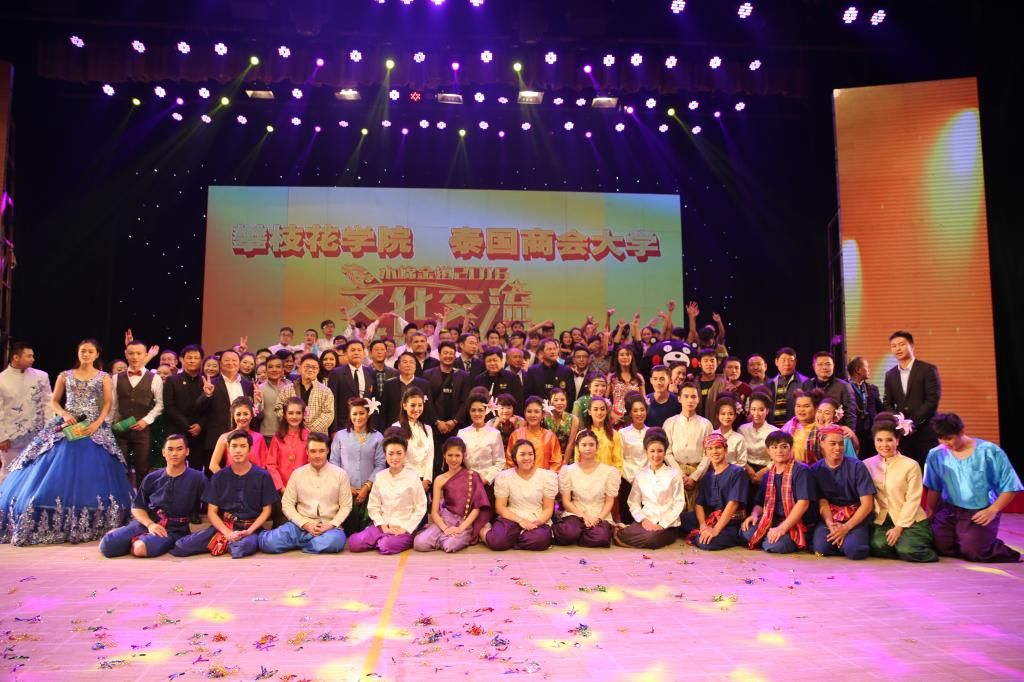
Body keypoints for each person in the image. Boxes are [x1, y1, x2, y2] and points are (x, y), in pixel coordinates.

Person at [0, 340, 132, 545]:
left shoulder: (103, 377)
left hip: (92, 427)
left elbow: (108, 403)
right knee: (50, 465)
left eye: (90, 351)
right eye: (83, 351)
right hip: (67, 425)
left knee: (94, 471)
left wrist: (97, 424)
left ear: (97, 354)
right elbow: (53, 401)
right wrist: (64, 414)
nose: (86, 354)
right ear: (78, 353)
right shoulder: (65, 375)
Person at [924, 413, 1022, 563]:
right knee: (938, 545)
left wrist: (993, 510)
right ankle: (964, 539)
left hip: (979, 510)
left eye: (949, 438)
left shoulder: (988, 451)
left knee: (974, 550)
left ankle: (993, 548)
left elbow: (1011, 485)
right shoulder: (936, 454)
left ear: (961, 432)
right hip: (949, 510)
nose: (944, 443)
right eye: (940, 438)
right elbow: (934, 487)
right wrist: (930, 512)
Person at [170, 430, 278, 558]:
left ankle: (227, 543)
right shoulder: (219, 477)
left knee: (241, 548)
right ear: (228, 448)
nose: (238, 450)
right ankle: (226, 541)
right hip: (224, 527)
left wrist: (249, 531)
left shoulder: (263, 476)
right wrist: (227, 532)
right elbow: (212, 512)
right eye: (234, 446)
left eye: (243, 446)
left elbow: (266, 510)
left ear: (250, 449)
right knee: (181, 546)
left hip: (250, 529)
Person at [99, 434, 206, 558]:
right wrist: (150, 524)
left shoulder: (198, 477)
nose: (174, 453)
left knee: (140, 549)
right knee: (107, 546)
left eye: (179, 449)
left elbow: (212, 504)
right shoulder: (152, 477)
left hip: (174, 530)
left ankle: (133, 541)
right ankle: (129, 537)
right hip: (148, 522)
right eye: (170, 449)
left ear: (187, 451)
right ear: (163, 452)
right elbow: (137, 506)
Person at [258, 432, 351, 554]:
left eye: (321, 451)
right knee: (269, 543)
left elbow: (346, 506)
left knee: (334, 542)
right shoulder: (298, 474)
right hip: (300, 526)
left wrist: (330, 525)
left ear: (327, 451)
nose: (317, 455)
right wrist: (305, 524)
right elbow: (287, 504)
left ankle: (301, 543)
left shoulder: (340, 474)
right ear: (307, 452)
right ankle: (310, 543)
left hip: (328, 528)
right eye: (313, 451)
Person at [864, 419, 937, 562]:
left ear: (897, 441)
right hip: (883, 520)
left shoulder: (911, 465)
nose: (884, 445)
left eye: (889, 440)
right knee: (878, 546)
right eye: (879, 440)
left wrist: (899, 527)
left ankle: (912, 545)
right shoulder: (867, 464)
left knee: (908, 550)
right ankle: (901, 546)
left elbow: (913, 499)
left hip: (911, 520)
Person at [348, 433, 427, 554]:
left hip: (403, 528)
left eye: (399, 453)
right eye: (390, 454)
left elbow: (420, 507)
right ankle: (381, 538)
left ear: (405, 454)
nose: (394, 457)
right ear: (385, 455)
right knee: (354, 543)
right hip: (382, 526)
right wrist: (383, 527)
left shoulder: (413, 477)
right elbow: (373, 506)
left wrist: (405, 528)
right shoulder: (380, 477)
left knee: (385, 546)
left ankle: (385, 541)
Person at [809, 425, 876, 560]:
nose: (838, 448)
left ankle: (848, 542)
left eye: (841, 443)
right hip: (831, 517)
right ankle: (841, 541)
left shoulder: (857, 466)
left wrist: (846, 527)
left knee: (855, 551)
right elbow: (822, 502)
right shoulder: (816, 469)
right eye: (832, 444)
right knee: (821, 550)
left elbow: (867, 504)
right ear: (821, 443)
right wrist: (830, 524)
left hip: (854, 517)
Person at [413, 437, 491, 552]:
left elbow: (477, 508)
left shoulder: (473, 476)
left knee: (450, 545)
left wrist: (460, 528)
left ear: (464, 456)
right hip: (444, 520)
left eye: (457, 455)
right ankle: (443, 538)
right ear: (444, 455)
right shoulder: (439, 479)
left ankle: (446, 539)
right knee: (419, 544)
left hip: (463, 522)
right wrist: (445, 529)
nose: (453, 459)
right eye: (450, 455)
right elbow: (434, 512)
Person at [740, 431, 812, 554]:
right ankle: (768, 537)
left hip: (794, 522)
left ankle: (770, 539)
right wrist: (754, 515)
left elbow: (803, 503)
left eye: (784, 447)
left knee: (775, 546)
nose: (779, 451)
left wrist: (782, 528)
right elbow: (760, 503)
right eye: (774, 447)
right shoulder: (768, 474)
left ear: (791, 449)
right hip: (772, 520)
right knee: (745, 532)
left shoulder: (801, 470)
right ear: (768, 451)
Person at [614, 429, 686, 549]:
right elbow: (633, 502)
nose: (656, 455)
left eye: (660, 451)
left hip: (668, 524)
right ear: (646, 452)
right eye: (652, 451)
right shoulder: (640, 475)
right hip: (647, 520)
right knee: (627, 535)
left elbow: (679, 503)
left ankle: (632, 537)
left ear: (665, 452)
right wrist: (643, 520)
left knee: (652, 539)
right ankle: (629, 534)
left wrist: (662, 525)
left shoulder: (674, 474)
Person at [482, 439, 557, 551]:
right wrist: (521, 521)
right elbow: (500, 507)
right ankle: (485, 533)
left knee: (540, 540)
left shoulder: (546, 476)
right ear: (514, 457)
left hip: (536, 518)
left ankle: (509, 541)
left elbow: (548, 508)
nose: (527, 458)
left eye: (530, 454)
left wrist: (539, 521)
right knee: (497, 541)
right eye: (522, 454)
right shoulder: (505, 477)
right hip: (512, 517)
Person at [680, 433, 750, 550]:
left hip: (730, 522)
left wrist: (715, 530)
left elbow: (733, 503)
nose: (714, 451)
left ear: (725, 450)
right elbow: (699, 504)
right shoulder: (707, 476)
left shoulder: (737, 472)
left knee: (707, 543)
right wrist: (703, 525)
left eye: (718, 447)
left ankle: (706, 536)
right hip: (710, 518)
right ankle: (702, 533)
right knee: (678, 520)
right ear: (706, 453)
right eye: (710, 449)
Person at [553, 430, 621, 547]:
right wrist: (584, 517)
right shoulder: (569, 471)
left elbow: (609, 501)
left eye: (591, 445)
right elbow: (566, 501)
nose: (588, 448)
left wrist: (598, 518)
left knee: (601, 538)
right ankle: (580, 532)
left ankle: (580, 534)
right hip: (576, 513)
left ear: (597, 447)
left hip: (599, 514)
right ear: (578, 447)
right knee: (566, 533)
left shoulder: (608, 472)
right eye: (584, 445)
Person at [329, 397, 385, 536]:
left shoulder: (378, 437)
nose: (358, 417)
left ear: (368, 414)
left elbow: (380, 464)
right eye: (354, 414)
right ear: (350, 415)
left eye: (361, 413)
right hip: (345, 491)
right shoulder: (340, 436)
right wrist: (347, 486)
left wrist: (367, 486)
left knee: (366, 531)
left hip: (370, 491)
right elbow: (334, 463)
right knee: (347, 531)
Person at [111, 340, 165, 486]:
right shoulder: (116, 378)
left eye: (138, 353)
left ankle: (142, 499)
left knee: (142, 469)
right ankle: (122, 498)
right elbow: (113, 406)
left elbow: (160, 404)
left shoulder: (155, 378)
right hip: (121, 430)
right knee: (120, 468)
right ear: (126, 354)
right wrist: (110, 425)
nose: (135, 357)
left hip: (143, 430)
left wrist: (146, 420)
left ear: (145, 355)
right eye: (131, 353)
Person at [883, 331, 942, 464]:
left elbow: (932, 400)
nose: (897, 348)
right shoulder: (890, 374)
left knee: (928, 471)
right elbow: (887, 402)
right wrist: (899, 422)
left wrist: (912, 422)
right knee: (907, 470)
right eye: (894, 346)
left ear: (912, 346)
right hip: (902, 435)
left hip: (926, 431)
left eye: (902, 344)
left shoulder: (928, 369)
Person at [0, 342, 53, 482]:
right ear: (16, 357)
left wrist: (49, 429)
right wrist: (2, 437)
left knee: (35, 472)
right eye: (29, 356)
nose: (33, 359)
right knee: (10, 471)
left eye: (32, 356)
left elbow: (48, 404)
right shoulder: (1, 380)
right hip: (11, 437)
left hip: (38, 435)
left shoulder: (41, 376)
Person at [196, 349, 254, 473]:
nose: (230, 363)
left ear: (239, 363)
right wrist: (207, 395)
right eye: (227, 360)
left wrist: (258, 403)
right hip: (216, 439)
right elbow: (199, 409)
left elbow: (253, 412)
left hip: (242, 442)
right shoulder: (210, 383)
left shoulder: (248, 385)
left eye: (234, 360)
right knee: (215, 477)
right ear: (220, 364)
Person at [662, 383, 713, 509]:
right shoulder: (670, 423)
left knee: (697, 511)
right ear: (679, 399)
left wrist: (694, 478)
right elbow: (667, 453)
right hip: (675, 472)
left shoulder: (706, 424)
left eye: (693, 397)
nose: (690, 400)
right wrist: (681, 475)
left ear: (698, 399)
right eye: (686, 396)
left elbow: (708, 454)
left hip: (698, 474)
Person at [425, 341, 472, 473]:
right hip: (435, 427)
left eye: (451, 353)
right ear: (439, 355)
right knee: (435, 462)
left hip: (456, 427)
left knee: (456, 461)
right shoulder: (428, 374)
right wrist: (437, 422)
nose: (448, 356)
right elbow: (427, 401)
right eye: (445, 353)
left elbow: (465, 401)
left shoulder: (463, 375)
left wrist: (454, 421)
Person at [162, 344, 206, 470]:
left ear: (201, 360)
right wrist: (188, 426)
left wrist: (200, 425)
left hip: (199, 434)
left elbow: (209, 409)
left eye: (196, 358)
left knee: (196, 470)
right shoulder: (172, 380)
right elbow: (169, 406)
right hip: (177, 431)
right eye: (189, 357)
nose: (192, 360)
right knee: (174, 468)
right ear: (182, 359)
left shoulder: (206, 382)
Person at [275, 353, 335, 434]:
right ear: (300, 368)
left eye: (314, 367)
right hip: (291, 433)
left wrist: (308, 431)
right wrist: (294, 424)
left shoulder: (326, 391)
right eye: (307, 366)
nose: (310, 370)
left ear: (318, 370)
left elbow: (328, 414)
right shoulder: (286, 389)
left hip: (316, 437)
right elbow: (278, 409)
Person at [208, 397, 268, 473]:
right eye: (238, 414)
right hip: (231, 479)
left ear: (251, 415)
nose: (242, 417)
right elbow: (213, 465)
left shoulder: (259, 438)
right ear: (233, 416)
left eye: (245, 414)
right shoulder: (224, 438)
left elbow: (265, 465)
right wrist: (224, 478)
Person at [328, 340, 377, 431]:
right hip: (343, 425)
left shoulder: (370, 372)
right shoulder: (336, 373)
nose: (356, 353)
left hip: (366, 425)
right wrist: (333, 430)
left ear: (364, 353)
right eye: (353, 350)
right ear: (346, 354)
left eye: (359, 350)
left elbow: (373, 398)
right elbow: (332, 403)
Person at [505, 396, 563, 472]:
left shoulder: (550, 436)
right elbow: (510, 460)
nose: (532, 415)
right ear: (524, 413)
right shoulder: (516, 435)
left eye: (536, 412)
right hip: (520, 477)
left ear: (543, 414)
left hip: (544, 478)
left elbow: (556, 463)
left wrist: (548, 477)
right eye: (529, 411)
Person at [457, 396, 506, 485]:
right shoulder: (462, 433)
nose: (477, 413)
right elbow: (458, 459)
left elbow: (500, 462)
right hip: (466, 481)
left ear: (486, 411)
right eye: (473, 410)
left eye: (480, 410)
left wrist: (486, 479)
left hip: (487, 482)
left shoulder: (494, 434)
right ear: (469, 412)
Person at [266, 397, 309, 499]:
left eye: (298, 413)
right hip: (282, 490)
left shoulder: (308, 436)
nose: (294, 416)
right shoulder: (277, 437)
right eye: (290, 413)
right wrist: (281, 488)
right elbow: (271, 465)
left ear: (303, 415)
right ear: (285, 415)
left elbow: (311, 463)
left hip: (304, 489)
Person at [392, 387, 433, 491]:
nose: (417, 409)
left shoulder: (428, 429)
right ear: (404, 405)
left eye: (420, 405)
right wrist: (411, 480)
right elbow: (397, 458)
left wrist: (427, 479)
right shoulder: (397, 427)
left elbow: (430, 456)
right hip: (403, 480)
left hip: (423, 482)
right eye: (413, 405)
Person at [802, 351, 856, 430]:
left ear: (833, 365)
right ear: (813, 366)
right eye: (820, 364)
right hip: (811, 431)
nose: (824, 367)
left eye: (828, 364)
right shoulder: (807, 384)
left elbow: (850, 415)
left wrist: (849, 433)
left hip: (835, 432)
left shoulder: (844, 386)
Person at [381, 352, 435, 428]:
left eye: (411, 362)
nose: (408, 365)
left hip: (417, 426)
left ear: (415, 366)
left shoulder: (424, 385)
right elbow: (383, 411)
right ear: (399, 366)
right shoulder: (389, 384)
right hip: (395, 427)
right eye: (405, 362)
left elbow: (429, 409)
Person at [738, 392, 780, 487]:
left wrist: (762, 472)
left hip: (767, 469)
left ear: (767, 411)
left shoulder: (775, 431)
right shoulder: (742, 429)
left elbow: (777, 457)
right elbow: (739, 454)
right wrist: (748, 469)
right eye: (753, 409)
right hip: (745, 468)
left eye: (761, 410)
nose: (756, 414)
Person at [619, 393, 649, 524]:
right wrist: (631, 478)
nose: (639, 413)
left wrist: (645, 477)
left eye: (642, 410)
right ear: (630, 413)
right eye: (635, 410)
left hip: (648, 480)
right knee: (628, 519)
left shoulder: (651, 432)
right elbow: (620, 459)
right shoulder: (622, 433)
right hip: (628, 480)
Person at [763, 347, 809, 428]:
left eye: (791, 360)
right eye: (783, 360)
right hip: (773, 429)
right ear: (776, 362)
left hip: (795, 429)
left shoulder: (805, 383)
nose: (787, 363)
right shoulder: (769, 384)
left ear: (795, 362)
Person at [848, 356, 883, 458]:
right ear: (858, 370)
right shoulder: (844, 387)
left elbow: (880, 409)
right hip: (853, 434)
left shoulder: (872, 388)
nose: (869, 370)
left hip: (871, 435)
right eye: (866, 367)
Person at [523, 338, 576, 405]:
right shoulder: (532, 371)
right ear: (542, 352)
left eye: (555, 349)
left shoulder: (566, 371)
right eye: (549, 349)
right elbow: (528, 394)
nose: (553, 352)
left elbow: (571, 396)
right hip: (538, 409)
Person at [472, 346, 524, 413]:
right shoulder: (479, 379)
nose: (492, 363)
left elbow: (519, 403)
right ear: (484, 363)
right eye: (489, 361)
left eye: (495, 360)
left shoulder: (513, 378)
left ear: (501, 360)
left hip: (506, 416)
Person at [256, 353, 292, 445]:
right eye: (270, 367)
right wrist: (259, 403)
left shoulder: (290, 385)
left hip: (289, 434)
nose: (274, 369)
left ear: (283, 369)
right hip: (268, 436)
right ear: (266, 370)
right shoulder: (260, 389)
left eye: (278, 366)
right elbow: (257, 416)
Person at [607, 344, 645, 425]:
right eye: (622, 355)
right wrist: (612, 414)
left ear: (632, 357)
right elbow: (605, 400)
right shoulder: (611, 377)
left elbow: (643, 401)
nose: (625, 357)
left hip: (635, 417)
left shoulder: (639, 377)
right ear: (617, 358)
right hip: (615, 418)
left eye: (627, 354)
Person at [583, 396, 623, 473]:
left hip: (609, 478)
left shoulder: (614, 435)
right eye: (595, 409)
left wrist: (612, 478)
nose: (599, 412)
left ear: (606, 411)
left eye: (602, 409)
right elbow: (578, 461)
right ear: (589, 412)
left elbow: (618, 463)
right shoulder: (582, 435)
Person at [543, 387, 579, 459]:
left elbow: (571, 443)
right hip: (548, 457)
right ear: (549, 402)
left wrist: (564, 462)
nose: (559, 403)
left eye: (562, 400)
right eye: (555, 400)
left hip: (567, 458)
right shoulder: (544, 418)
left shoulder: (573, 419)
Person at [694, 350, 728, 424]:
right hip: (696, 426)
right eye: (706, 361)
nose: (709, 364)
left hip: (716, 426)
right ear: (699, 364)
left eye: (712, 361)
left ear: (717, 363)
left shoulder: (725, 384)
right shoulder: (693, 384)